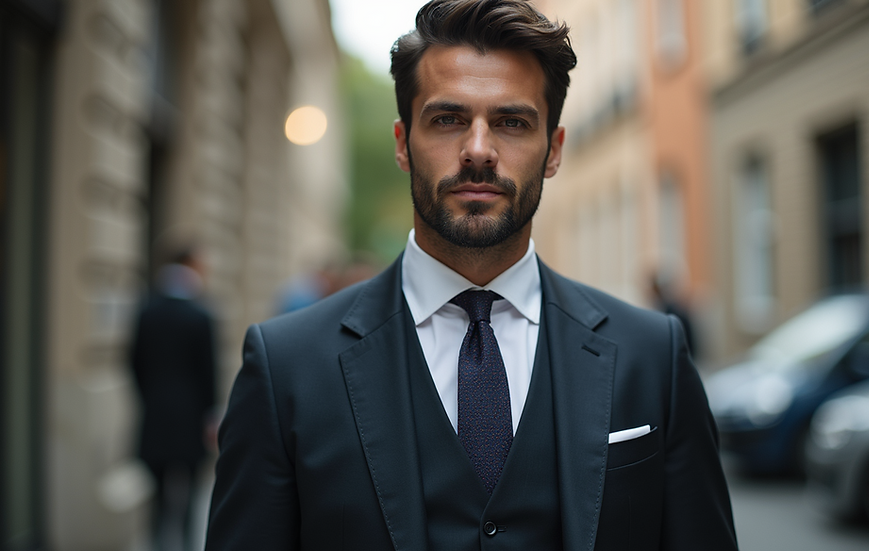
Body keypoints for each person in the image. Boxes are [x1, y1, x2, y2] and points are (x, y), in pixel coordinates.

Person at [206, 1, 738, 549]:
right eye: (447, 119)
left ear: (553, 151)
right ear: (401, 143)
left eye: (511, 122)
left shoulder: (651, 356)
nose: (478, 150)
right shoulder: (285, 368)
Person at [130, 246, 218, 551]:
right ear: (191, 265)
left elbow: (134, 362)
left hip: (155, 412)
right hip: (190, 416)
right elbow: (208, 372)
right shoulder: (201, 314)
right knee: (191, 493)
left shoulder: (147, 310)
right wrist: (210, 413)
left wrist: (148, 398)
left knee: (157, 495)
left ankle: (157, 543)